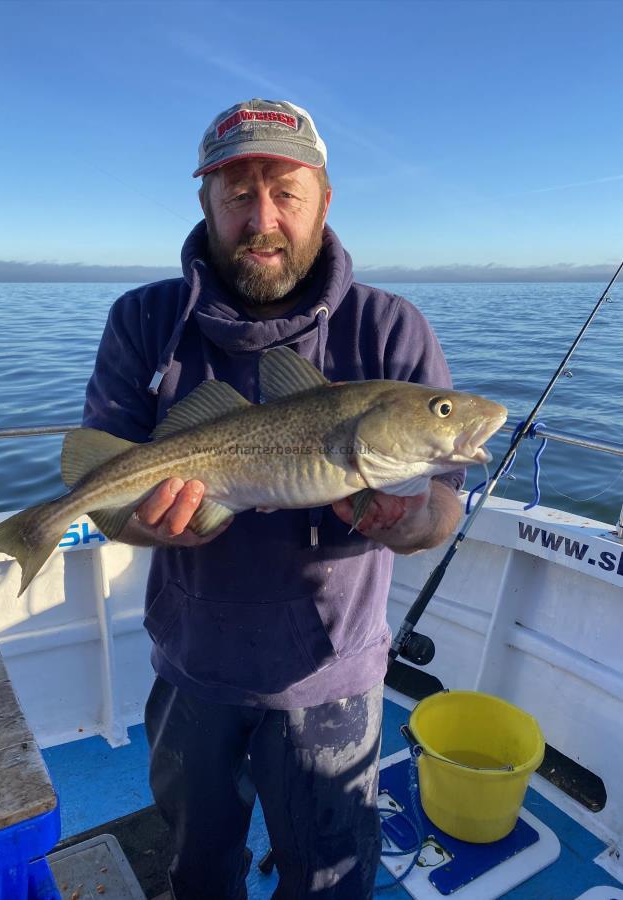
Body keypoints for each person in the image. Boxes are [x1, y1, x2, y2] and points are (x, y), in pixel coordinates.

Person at [83, 99, 463, 900]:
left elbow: (441, 513)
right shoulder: (143, 320)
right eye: (236, 193)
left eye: (284, 192)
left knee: (330, 880)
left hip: (332, 676)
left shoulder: (392, 331)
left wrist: (411, 519)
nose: (261, 218)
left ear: (324, 197)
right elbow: (107, 504)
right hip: (192, 666)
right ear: (205, 205)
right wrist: (147, 528)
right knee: (196, 868)